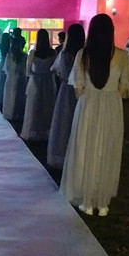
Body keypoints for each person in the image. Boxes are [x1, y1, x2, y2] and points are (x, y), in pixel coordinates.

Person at [60, 13, 129, 217]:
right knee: (107, 148)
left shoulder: (83, 55)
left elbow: (78, 87)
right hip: (112, 105)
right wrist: (110, 96)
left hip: (88, 104)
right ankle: (103, 202)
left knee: (85, 147)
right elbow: (123, 87)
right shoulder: (121, 55)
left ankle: (87, 200)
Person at [47, 23, 85, 169]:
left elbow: (54, 68)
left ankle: (62, 153)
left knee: (63, 121)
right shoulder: (84, 54)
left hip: (65, 89)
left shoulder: (64, 54)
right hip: (82, 90)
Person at [20, 29, 56, 141]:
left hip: (35, 83)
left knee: (33, 108)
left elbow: (27, 70)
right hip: (48, 83)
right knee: (47, 108)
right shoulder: (52, 53)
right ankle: (46, 132)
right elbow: (55, 69)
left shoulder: (33, 53)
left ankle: (33, 131)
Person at [2, 35, 27, 123]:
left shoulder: (9, 56)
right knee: (20, 96)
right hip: (21, 78)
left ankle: (10, 113)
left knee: (10, 96)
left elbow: (6, 69)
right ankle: (19, 114)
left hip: (11, 78)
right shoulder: (24, 56)